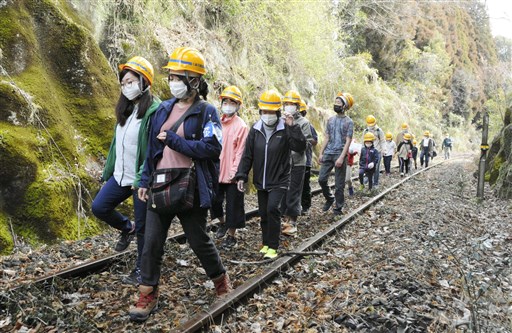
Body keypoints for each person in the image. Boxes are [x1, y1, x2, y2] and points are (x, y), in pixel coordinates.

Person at [129, 47, 230, 322]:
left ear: (194, 81)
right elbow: (152, 148)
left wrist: (176, 141)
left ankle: (220, 280)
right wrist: (145, 179)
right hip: (160, 183)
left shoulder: (207, 112)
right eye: (171, 75)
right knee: (150, 242)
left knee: (198, 239)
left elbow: (212, 148)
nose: (173, 81)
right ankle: (147, 292)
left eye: (179, 76)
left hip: (191, 185)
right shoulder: (163, 109)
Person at [91, 56, 161, 286]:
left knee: (144, 228)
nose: (126, 87)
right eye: (123, 83)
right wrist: (107, 171)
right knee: (99, 206)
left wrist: (143, 178)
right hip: (120, 176)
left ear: (144, 82)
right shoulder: (126, 110)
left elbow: (152, 149)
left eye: (130, 81)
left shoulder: (153, 111)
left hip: (140, 180)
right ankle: (125, 227)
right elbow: (115, 145)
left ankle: (142, 270)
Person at [236, 90, 306, 259]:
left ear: (277, 112)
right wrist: (241, 175)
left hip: (280, 178)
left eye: (271, 111)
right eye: (264, 111)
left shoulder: (285, 128)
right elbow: (248, 154)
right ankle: (266, 243)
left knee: (273, 209)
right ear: (260, 112)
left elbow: (300, 147)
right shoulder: (255, 129)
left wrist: (293, 127)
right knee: (263, 212)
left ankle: (273, 246)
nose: (267, 115)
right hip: (261, 179)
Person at [211, 86, 248, 248]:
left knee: (233, 206)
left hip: (232, 174)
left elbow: (241, 152)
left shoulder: (241, 126)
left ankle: (231, 236)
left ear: (238, 105)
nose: (228, 105)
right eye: (225, 101)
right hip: (216, 171)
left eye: (232, 102)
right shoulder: (216, 122)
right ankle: (222, 222)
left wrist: (236, 172)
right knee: (214, 202)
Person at [280, 90, 313, 235]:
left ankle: (292, 222)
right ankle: (285, 218)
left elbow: (306, 142)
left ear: (298, 106)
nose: (289, 106)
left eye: (292, 104)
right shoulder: (280, 120)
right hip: (283, 162)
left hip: (298, 162)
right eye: (286, 103)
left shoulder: (304, 123)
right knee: (282, 191)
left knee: (294, 192)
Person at [318, 92, 354, 216]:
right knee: (321, 179)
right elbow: (326, 137)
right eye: (335, 102)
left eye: (339, 103)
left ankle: (338, 208)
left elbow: (348, 141)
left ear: (344, 106)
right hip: (328, 153)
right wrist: (321, 153)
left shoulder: (349, 122)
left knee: (339, 185)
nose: (336, 104)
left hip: (340, 154)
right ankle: (329, 198)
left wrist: (342, 157)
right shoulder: (330, 120)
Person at [299, 101, 318, 215]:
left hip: (306, 160)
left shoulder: (308, 125)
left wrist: (305, 139)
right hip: (291, 161)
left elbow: (315, 141)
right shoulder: (288, 123)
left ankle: (305, 206)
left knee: (305, 184)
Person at [362, 115, 385, 187]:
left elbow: (382, 141)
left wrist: (383, 150)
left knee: (376, 168)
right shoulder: (365, 131)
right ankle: (369, 181)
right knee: (368, 167)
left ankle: (375, 183)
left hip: (377, 152)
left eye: (372, 124)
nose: (371, 126)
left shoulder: (379, 131)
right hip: (368, 152)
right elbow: (363, 141)